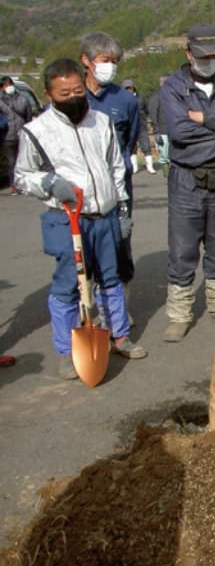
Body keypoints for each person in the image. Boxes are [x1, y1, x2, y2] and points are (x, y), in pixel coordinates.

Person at [14, 58, 146, 380]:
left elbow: (116, 167)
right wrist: (48, 184)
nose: (73, 97)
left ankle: (119, 336)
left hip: (104, 215)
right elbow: (22, 176)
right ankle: (66, 350)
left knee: (111, 280)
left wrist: (122, 209)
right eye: (64, 93)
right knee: (68, 286)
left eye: (77, 90)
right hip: (66, 218)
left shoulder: (101, 122)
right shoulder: (36, 131)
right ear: (49, 94)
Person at [160, 23, 215, 342]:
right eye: (203, 55)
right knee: (183, 247)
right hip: (187, 178)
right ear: (188, 54)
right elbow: (179, 132)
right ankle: (180, 314)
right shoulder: (173, 87)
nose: (210, 60)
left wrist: (202, 118)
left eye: (214, 55)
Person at [79, 32, 139, 322]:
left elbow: (130, 142)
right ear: (86, 61)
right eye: (105, 61)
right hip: (80, 194)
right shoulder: (72, 97)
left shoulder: (125, 100)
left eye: (115, 62)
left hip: (117, 192)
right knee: (82, 258)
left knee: (119, 252)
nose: (110, 67)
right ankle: (87, 314)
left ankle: (117, 315)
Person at [0, 76, 34, 193]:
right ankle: (15, 185)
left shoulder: (23, 99)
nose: (8, 87)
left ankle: (23, 184)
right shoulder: (1, 101)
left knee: (23, 161)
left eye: (9, 85)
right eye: (6, 85)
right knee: (12, 162)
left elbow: (29, 117)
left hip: (21, 134)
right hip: (7, 136)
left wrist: (28, 132)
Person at [121, 79, 157, 174]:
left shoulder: (141, 97)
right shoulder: (122, 99)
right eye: (126, 88)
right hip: (128, 126)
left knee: (146, 145)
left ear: (133, 88)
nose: (128, 89)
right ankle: (134, 166)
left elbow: (145, 109)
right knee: (131, 147)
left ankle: (150, 166)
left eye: (130, 87)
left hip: (141, 124)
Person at [148, 74, 171, 170]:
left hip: (174, 131)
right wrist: (156, 131)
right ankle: (167, 173)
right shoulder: (156, 97)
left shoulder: (175, 95)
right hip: (162, 131)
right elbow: (153, 114)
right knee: (165, 156)